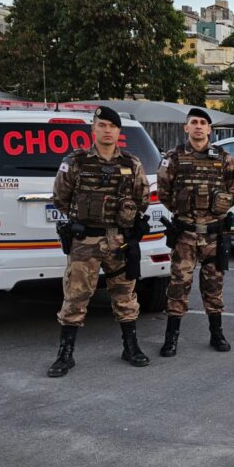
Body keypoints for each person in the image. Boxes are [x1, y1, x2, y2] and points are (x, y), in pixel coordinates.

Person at [47, 106, 152, 378]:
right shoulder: (76, 161)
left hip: (120, 241)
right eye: (102, 125)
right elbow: (60, 197)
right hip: (86, 240)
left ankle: (131, 347)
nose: (107, 130)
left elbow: (143, 199)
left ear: (119, 131)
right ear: (92, 129)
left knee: (125, 295)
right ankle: (65, 354)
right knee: (76, 296)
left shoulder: (132, 163)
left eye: (112, 126)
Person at [156, 107, 234, 357]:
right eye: (194, 122)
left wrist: (219, 207)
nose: (199, 126)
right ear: (186, 128)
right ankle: (171, 338)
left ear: (209, 129)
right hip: (185, 234)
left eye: (203, 122)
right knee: (178, 285)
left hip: (214, 234)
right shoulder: (173, 157)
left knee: (214, 285)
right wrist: (185, 212)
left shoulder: (224, 158)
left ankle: (217, 334)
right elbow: (163, 192)